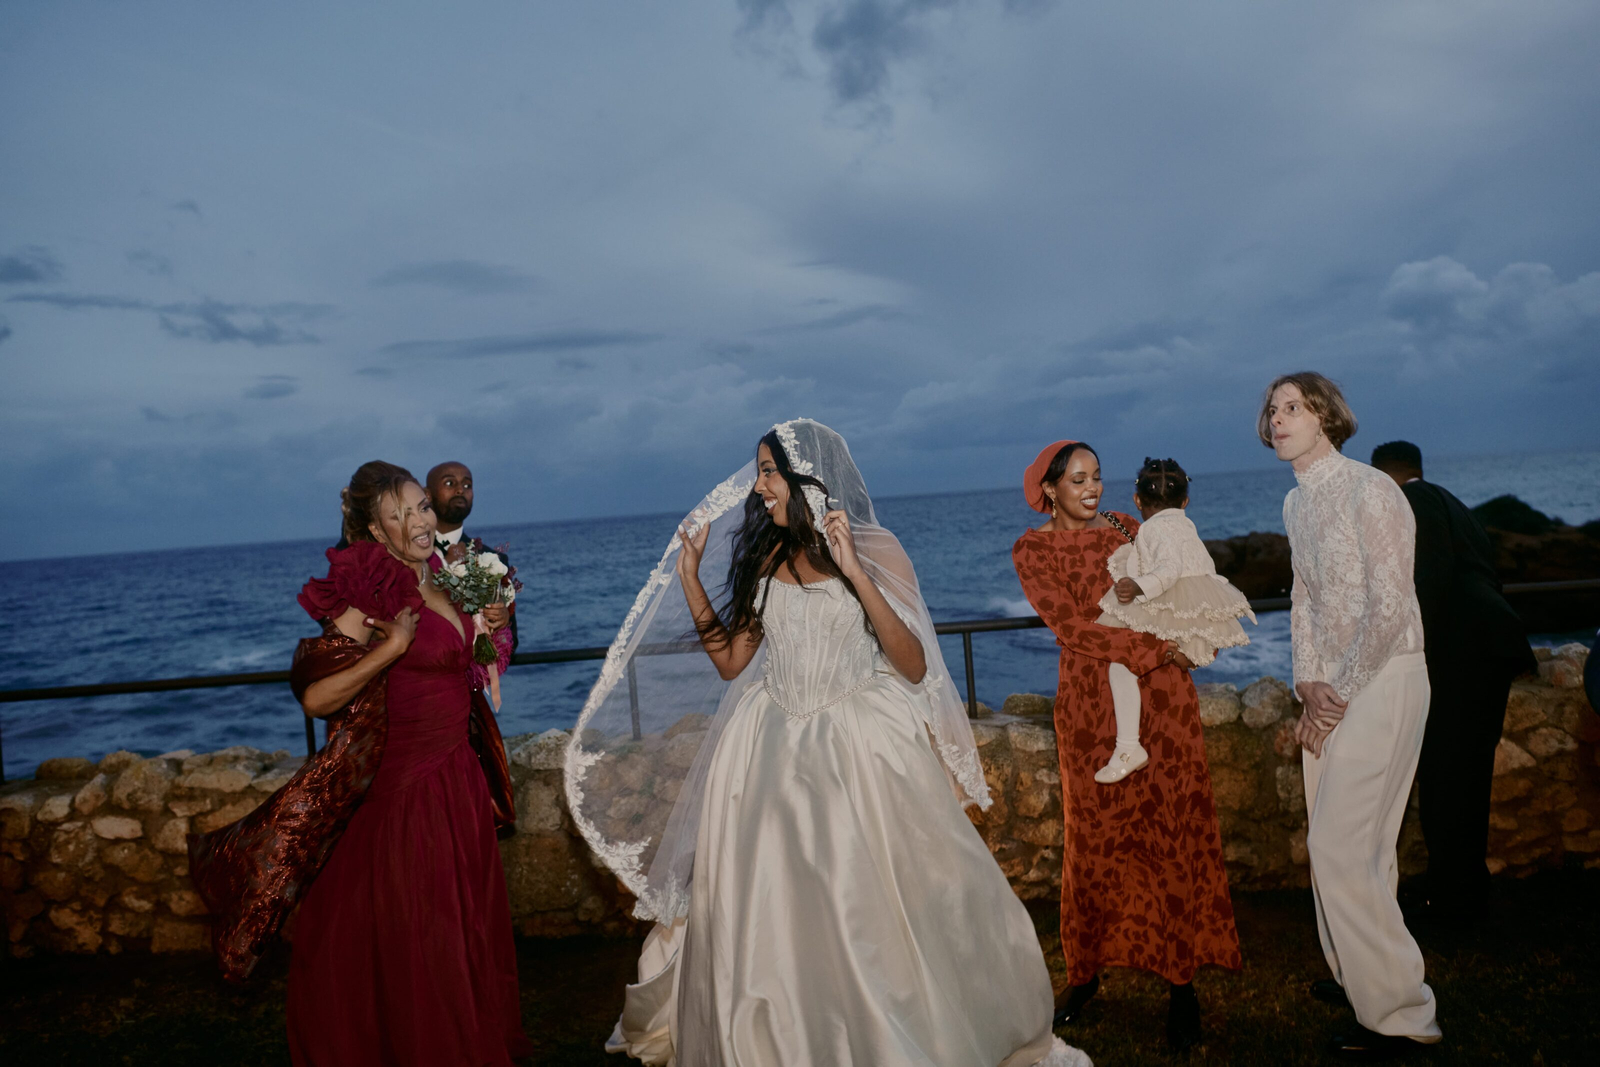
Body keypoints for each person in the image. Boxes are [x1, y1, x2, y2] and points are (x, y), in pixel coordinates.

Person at [566, 420, 1089, 1067]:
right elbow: (732, 662)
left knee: (870, 918)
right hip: (769, 751)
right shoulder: (766, 556)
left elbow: (915, 664)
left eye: (767, 471)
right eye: (758, 470)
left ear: (806, 474)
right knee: (774, 919)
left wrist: (854, 572)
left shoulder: (877, 547)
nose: (757, 486)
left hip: (857, 746)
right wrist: (691, 577)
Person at [189, 461, 529, 1066]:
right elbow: (317, 698)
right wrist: (390, 649)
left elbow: (469, 666)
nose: (418, 521)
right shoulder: (368, 591)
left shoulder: (449, 575)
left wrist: (490, 624)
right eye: (398, 515)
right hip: (406, 790)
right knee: (418, 938)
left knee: (460, 929)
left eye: (421, 506)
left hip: (458, 779)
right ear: (375, 533)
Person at [1011, 440, 1240, 1052]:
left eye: (1098, 478)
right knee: (1095, 845)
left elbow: (1180, 575)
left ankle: (1181, 985)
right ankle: (1084, 974)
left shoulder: (1126, 527)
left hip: (1162, 700)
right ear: (1050, 489)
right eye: (1078, 480)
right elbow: (1071, 626)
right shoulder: (1034, 549)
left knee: (1170, 835)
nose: (1093, 489)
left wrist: (1194, 636)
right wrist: (1152, 649)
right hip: (1091, 710)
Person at [1262, 374, 1441, 1059]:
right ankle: (1359, 977)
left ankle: (1402, 1015)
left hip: (1386, 678)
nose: (1279, 419)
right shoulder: (1294, 502)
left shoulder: (1374, 489)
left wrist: (1339, 690)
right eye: (1273, 409)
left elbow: (1391, 607)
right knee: (1355, 850)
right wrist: (1308, 678)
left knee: (1341, 847)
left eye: (1294, 407)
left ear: (1328, 418)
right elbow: (1304, 595)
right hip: (1332, 685)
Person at [1370, 440, 1536, 928]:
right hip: (1489, 647)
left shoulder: (1413, 502)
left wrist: (1408, 654)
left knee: (1447, 778)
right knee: (1465, 779)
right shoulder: (1454, 503)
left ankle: (1453, 902)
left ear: (1389, 477)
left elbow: (1430, 581)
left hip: (1461, 656)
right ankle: (1459, 887)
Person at [1092, 457, 1255, 784]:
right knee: (1185, 629)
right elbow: (1204, 572)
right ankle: (1186, 653)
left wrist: (1137, 586)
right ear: (1185, 501)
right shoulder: (1186, 525)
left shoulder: (1154, 528)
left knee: (1120, 666)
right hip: (1194, 593)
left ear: (1137, 501)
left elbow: (1167, 571)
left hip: (1165, 590)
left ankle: (1128, 747)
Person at [427, 460, 517, 654]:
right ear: (427, 494)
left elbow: (512, 644)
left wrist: (502, 622)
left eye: (467, 485)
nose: (460, 490)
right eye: (450, 484)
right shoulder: (411, 554)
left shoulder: (493, 560)